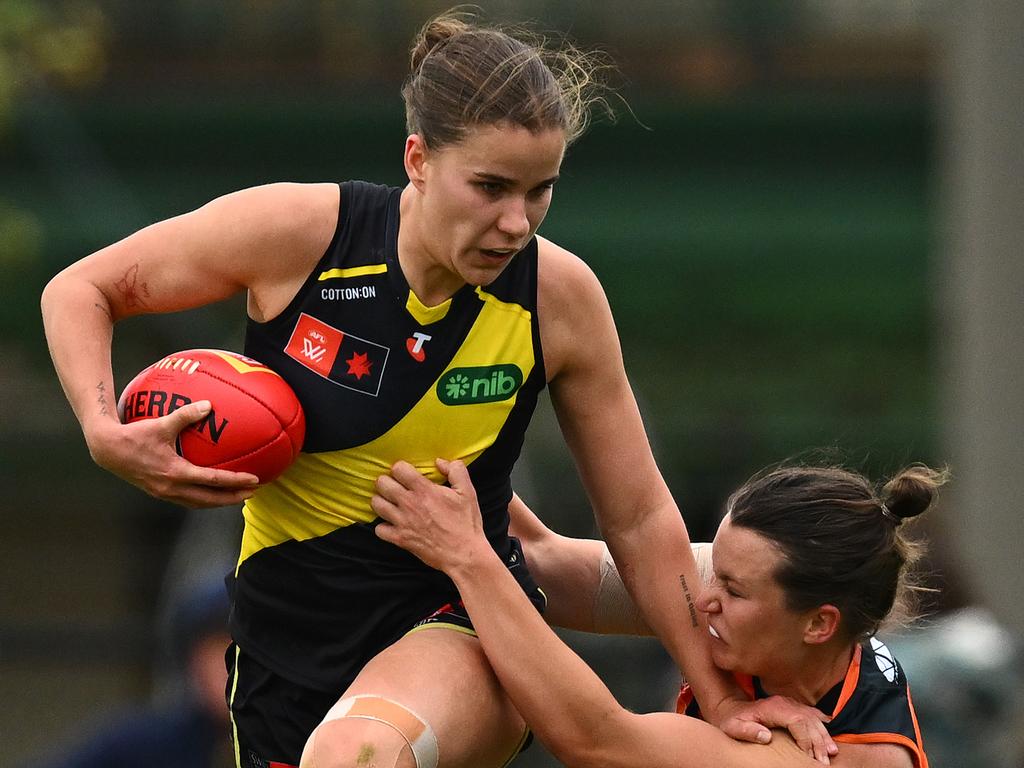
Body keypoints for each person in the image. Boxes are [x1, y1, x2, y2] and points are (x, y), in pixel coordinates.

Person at [40, 10, 832, 768]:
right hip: (283, 640)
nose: (518, 222)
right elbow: (82, 290)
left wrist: (722, 696)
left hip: (458, 624)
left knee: (356, 754)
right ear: (418, 159)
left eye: (540, 190)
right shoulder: (297, 236)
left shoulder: (558, 299)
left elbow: (638, 516)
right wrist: (103, 428)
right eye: (491, 187)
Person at [373, 459, 942, 768]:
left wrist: (469, 559)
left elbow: (595, 741)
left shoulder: (832, 756)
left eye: (733, 591)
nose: (703, 599)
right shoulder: (794, 638)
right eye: (710, 570)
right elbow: (543, 561)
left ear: (820, 624)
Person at [30, 579, 234, 768]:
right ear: (191, 660)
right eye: (218, 645)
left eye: (243, 649)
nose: (230, 663)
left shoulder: (264, 745)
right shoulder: (147, 746)